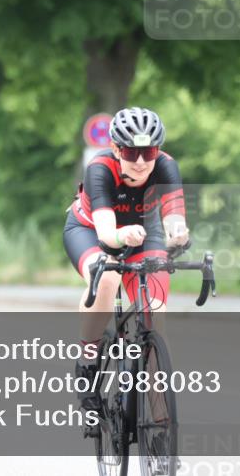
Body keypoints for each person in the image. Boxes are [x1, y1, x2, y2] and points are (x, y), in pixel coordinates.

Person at [63, 107, 189, 428]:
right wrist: (120, 235)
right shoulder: (100, 169)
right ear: (117, 149)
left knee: (155, 314)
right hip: (91, 230)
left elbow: (174, 214)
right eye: (132, 152)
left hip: (144, 232)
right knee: (106, 275)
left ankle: (160, 417)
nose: (141, 161)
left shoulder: (166, 166)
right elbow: (106, 232)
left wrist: (178, 232)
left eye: (148, 151)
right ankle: (88, 361)